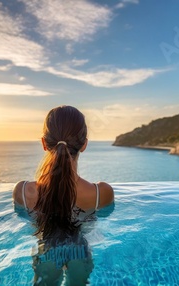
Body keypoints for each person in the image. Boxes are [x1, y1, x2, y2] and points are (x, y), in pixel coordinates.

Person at [13, 105, 114, 285]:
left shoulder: (22, 191)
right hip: (80, 254)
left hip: (46, 254)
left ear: (44, 143)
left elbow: (29, 227)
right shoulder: (101, 193)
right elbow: (95, 230)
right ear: (84, 145)